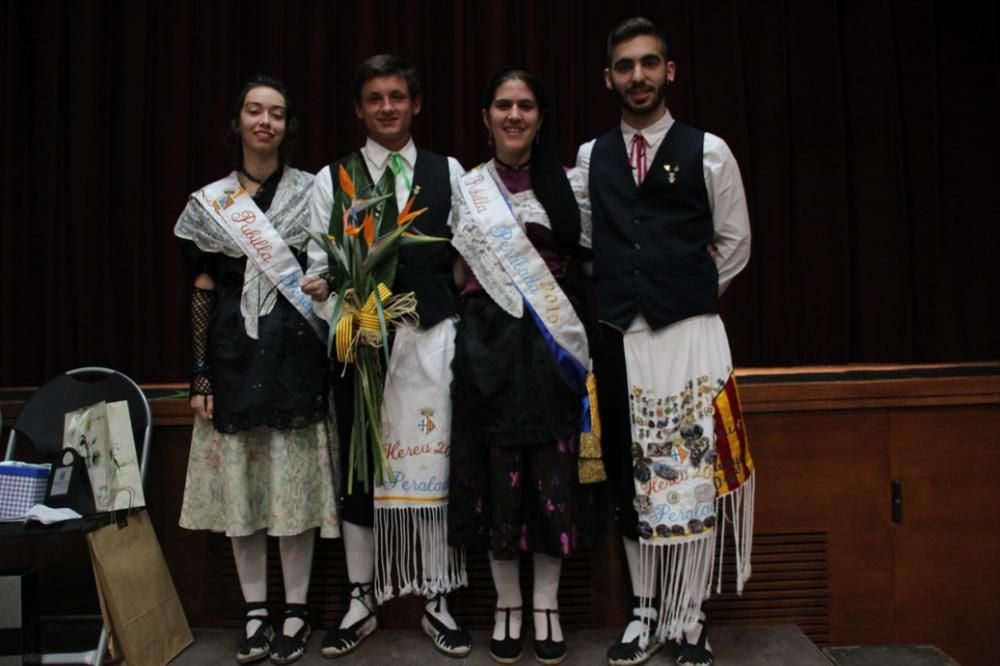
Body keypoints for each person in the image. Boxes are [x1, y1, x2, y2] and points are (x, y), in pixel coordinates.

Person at [576, 17, 755, 666]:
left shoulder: (711, 150)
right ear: (609, 78)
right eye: (625, 66)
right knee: (632, 476)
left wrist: (690, 292)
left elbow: (735, 243)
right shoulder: (591, 158)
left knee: (691, 477)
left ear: (669, 71)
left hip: (691, 337)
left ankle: (689, 616)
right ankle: (646, 610)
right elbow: (592, 242)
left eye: (649, 63)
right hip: (623, 339)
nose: (638, 76)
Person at [301, 54, 470, 658]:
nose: (387, 107)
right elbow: (317, 272)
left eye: (398, 96)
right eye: (375, 98)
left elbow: (466, 262)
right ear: (358, 108)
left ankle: (438, 595)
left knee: (435, 467)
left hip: (433, 348)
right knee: (361, 474)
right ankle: (360, 596)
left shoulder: (448, 171)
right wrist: (345, 320)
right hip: (362, 354)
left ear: (416, 103)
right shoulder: (334, 178)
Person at [174, 74, 339, 665]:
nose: (265, 121)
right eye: (254, 111)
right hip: (233, 357)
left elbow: (332, 269)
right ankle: (254, 614)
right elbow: (201, 286)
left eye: (276, 113)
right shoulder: (210, 201)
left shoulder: (313, 191)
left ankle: (295, 612)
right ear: (238, 121)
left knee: (292, 494)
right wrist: (198, 373)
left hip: (296, 355)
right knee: (243, 494)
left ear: (287, 126)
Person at [448, 67, 594, 666]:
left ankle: (545, 607)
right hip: (488, 351)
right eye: (503, 105)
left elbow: (586, 268)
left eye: (526, 106)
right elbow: (457, 272)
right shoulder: (467, 186)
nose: (514, 115)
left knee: (550, 482)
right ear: (486, 116)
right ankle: (507, 605)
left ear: (540, 116)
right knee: (496, 480)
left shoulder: (571, 184)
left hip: (551, 352)